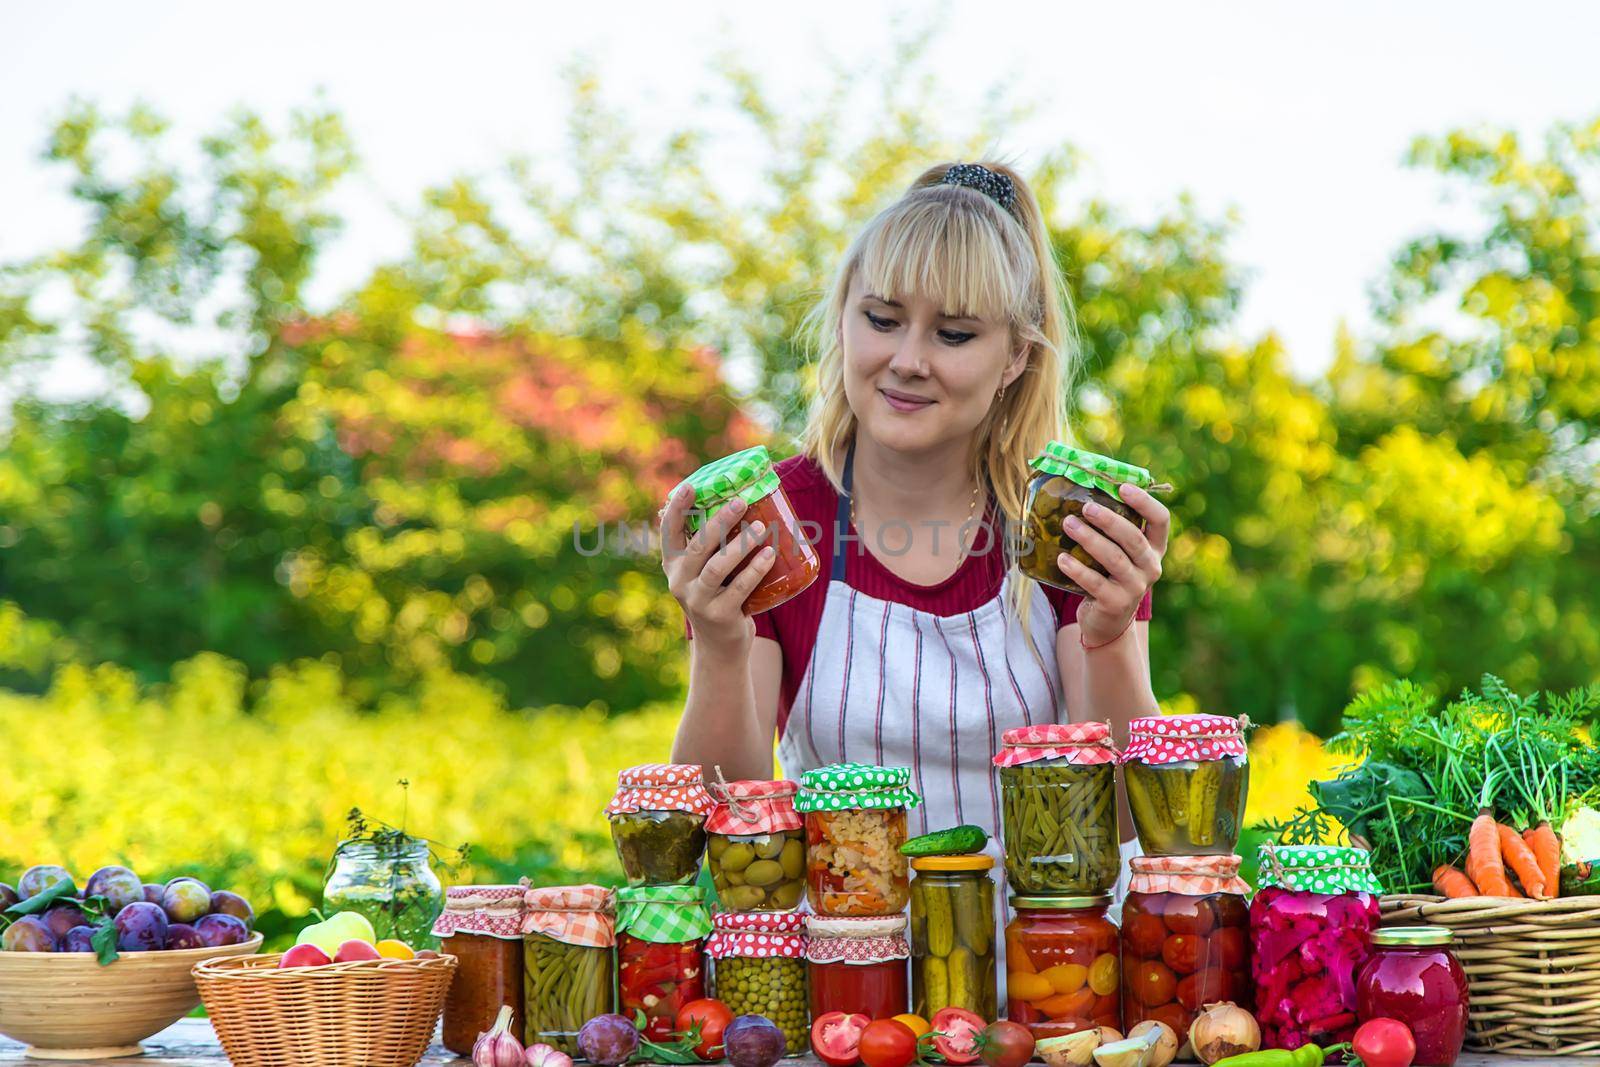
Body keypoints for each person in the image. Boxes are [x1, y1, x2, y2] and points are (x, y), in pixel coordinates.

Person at [661, 160, 1169, 865]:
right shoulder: (774, 521)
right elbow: (724, 835)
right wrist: (720, 648)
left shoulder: (1066, 523)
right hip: (845, 954)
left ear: (1016, 355)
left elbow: (1123, 821)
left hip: (1052, 958)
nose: (907, 360)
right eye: (882, 319)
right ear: (843, 318)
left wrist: (1108, 639)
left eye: (953, 335)